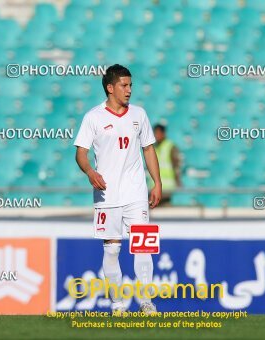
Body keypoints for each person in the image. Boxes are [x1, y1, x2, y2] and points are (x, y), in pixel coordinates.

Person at [73, 64, 162, 315]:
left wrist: (157, 182)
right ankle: (117, 304)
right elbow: (81, 153)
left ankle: (146, 302)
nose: (129, 90)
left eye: (131, 85)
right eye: (124, 85)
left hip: (136, 192)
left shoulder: (139, 115)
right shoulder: (93, 117)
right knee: (112, 249)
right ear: (110, 88)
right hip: (107, 193)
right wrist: (90, 172)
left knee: (143, 246)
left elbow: (148, 149)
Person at [152, 124, 181, 205]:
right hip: (154, 189)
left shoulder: (170, 147)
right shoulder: (152, 147)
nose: (156, 135)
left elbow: (177, 166)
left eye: (158, 133)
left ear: (163, 133)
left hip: (166, 190)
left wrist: (178, 181)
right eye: (155, 133)